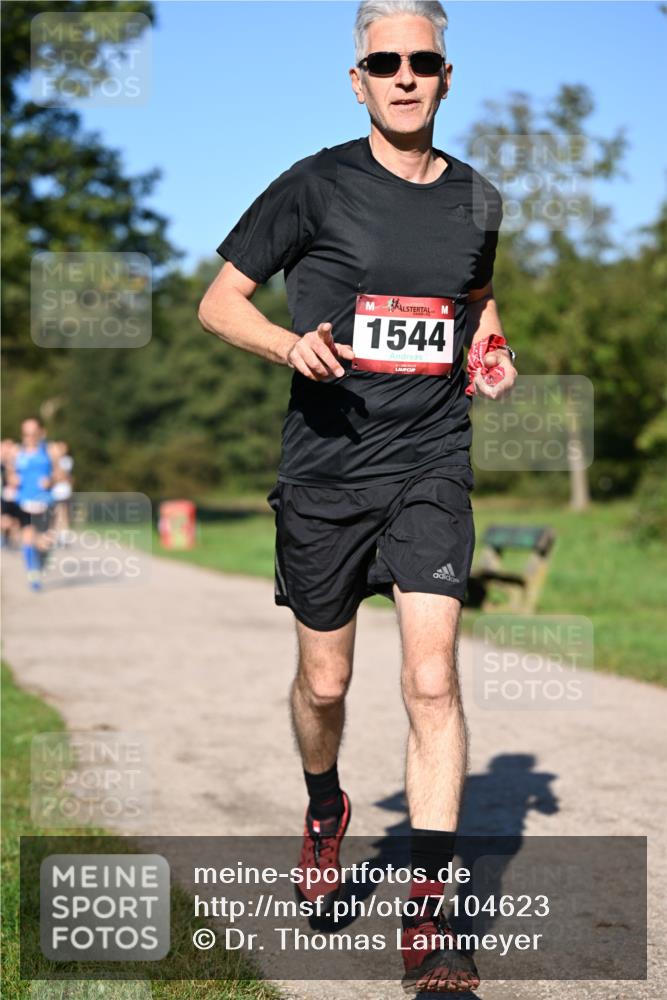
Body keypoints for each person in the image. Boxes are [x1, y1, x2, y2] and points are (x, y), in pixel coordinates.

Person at [198, 1, 517, 991]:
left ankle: (430, 920)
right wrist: (287, 345)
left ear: (446, 76)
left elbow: (473, 300)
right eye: (385, 62)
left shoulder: (478, 199)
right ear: (358, 80)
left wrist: (490, 349)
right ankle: (325, 802)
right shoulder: (313, 185)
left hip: (431, 464)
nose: (403, 75)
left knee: (431, 682)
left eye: (421, 60)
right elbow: (218, 303)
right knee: (326, 687)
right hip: (326, 471)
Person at [14, 418, 54, 591]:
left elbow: (63, 474)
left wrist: (51, 480)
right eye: (26, 433)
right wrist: (12, 479)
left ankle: (40, 564)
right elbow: (9, 473)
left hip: (45, 502)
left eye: (33, 433)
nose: (29, 437)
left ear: (40, 432)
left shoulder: (49, 450)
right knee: (28, 538)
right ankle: (33, 574)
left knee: (45, 542)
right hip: (24, 502)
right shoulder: (17, 452)